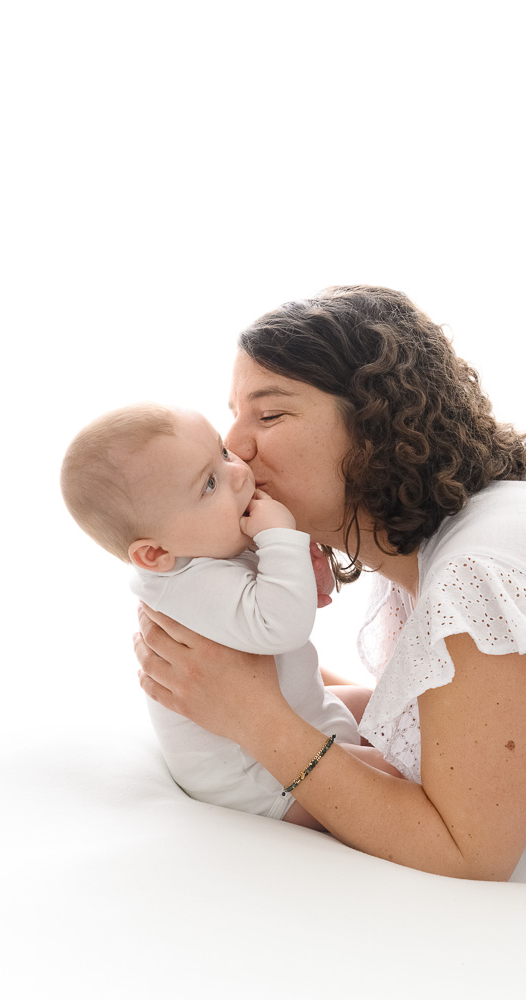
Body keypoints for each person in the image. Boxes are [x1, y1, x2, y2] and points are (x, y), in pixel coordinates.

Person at [134, 285, 526, 880]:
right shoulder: (447, 546)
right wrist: (243, 673)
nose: (234, 447)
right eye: (235, 416)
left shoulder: (475, 573)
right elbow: (448, 733)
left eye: (269, 414)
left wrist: (255, 718)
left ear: (376, 426)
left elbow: (471, 853)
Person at [60, 403, 399, 827]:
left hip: (300, 713)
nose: (239, 472)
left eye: (221, 452)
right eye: (208, 485)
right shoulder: (188, 590)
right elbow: (283, 627)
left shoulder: (206, 543)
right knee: (393, 776)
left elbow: (295, 597)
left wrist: (302, 566)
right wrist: (280, 539)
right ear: (155, 554)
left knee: (377, 704)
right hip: (258, 775)